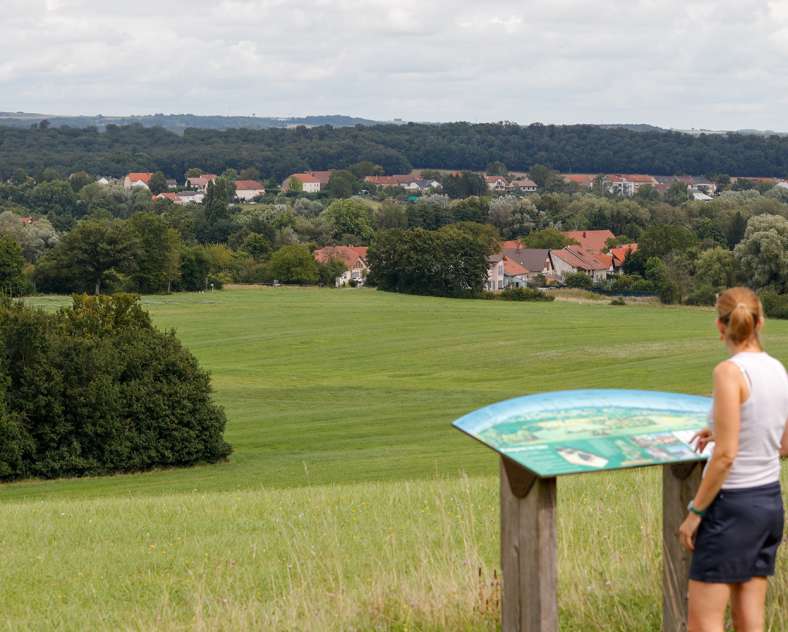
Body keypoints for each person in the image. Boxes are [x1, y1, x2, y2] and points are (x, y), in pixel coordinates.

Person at [678, 287, 788, 632]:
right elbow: (782, 444)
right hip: (768, 503)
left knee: (703, 622)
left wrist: (695, 513)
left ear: (719, 326)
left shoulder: (729, 372)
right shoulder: (777, 369)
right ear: (760, 323)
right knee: (749, 621)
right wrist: (727, 429)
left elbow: (725, 456)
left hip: (731, 508)